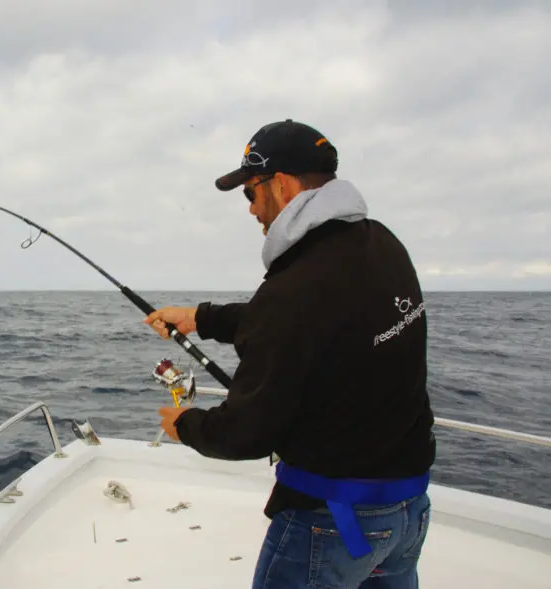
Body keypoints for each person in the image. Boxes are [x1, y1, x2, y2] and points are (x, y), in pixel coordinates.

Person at [143, 119, 436, 589]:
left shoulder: (294, 289)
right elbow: (315, 321)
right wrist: (200, 316)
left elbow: (245, 434)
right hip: (408, 510)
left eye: (250, 193)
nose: (252, 209)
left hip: (331, 519)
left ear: (280, 185)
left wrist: (186, 426)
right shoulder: (383, 245)